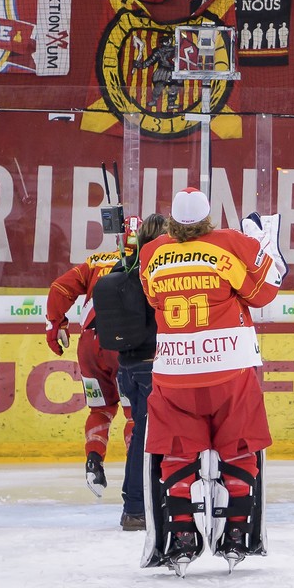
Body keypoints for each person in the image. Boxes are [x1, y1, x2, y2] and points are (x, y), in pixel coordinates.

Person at [139, 188, 284, 573]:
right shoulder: (231, 244)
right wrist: (263, 248)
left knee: (175, 453)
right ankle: (236, 530)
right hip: (229, 369)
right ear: (207, 218)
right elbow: (263, 293)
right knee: (238, 447)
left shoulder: (151, 253)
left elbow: (153, 298)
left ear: (172, 219)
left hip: (173, 373)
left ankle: (183, 534)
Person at [89, 214, 166, 531]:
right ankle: (136, 506)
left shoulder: (122, 267)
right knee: (149, 439)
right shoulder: (155, 270)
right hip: (151, 364)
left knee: (141, 438)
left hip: (127, 365)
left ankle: (139, 503)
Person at [44, 217, 129, 496]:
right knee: (137, 412)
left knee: (100, 409)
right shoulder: (150, 261)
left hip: (89, 348)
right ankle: (138, 472)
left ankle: (94, 460)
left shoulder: (96, 262)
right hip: (125, 346)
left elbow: (59, 287)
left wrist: (56, 324)